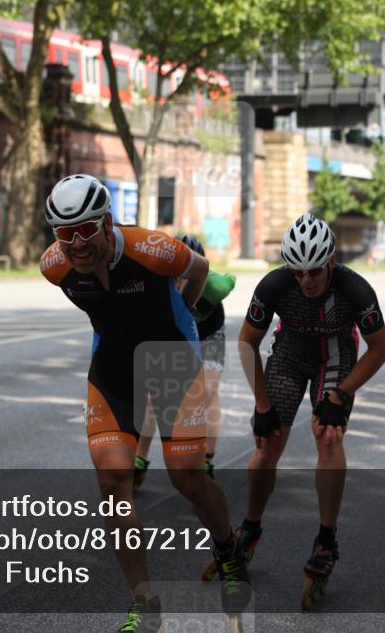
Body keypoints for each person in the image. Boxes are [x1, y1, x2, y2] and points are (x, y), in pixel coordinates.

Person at [40, 175, 250, 632]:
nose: (75, 242)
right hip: (114, 366)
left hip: (172, 357)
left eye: (85, 230)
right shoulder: (53, 266)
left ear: (106, 222)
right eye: (64, 232)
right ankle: (144, 601)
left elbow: (199, 268)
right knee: (114, 481)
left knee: (188, 479)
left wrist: (185, 316)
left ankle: (227, 549)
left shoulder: (151, 248)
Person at [236, 213, 385, 586]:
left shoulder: (355, 290)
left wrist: (341, 394)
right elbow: (247, 342)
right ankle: (250, 528)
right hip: (289, 355)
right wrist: (262, 405)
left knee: (328, 436)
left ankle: (326, 539)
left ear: (331, 263)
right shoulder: (274, 284)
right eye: (298, 272)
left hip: (336, 356)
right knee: (266, 443)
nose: (306, 280)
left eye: (314, 272)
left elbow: (381, 347)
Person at [133, 234, 235, 489]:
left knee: (208, 391)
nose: (179, 282)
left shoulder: (212, 287)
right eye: (174, 275)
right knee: (151, 396)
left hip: (208, 334)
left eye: (186, 276)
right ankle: (139, 459)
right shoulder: (153, 285)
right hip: (174, 335)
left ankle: (207, 458)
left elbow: (230, 280)